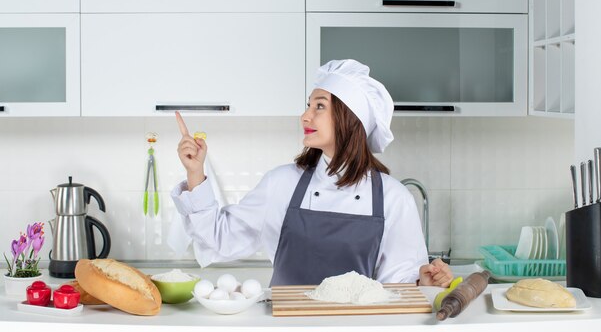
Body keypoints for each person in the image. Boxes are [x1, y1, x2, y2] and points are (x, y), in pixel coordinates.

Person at [171, 59, 453, 287]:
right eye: (309, 105)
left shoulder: (392, 197)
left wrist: (423, 284)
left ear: (349, 119)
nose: (305, 116)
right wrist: (195, 172)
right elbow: (220, 238)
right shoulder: (281, 184)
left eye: (319, 106)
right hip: (285, 325)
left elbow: (399, 283)